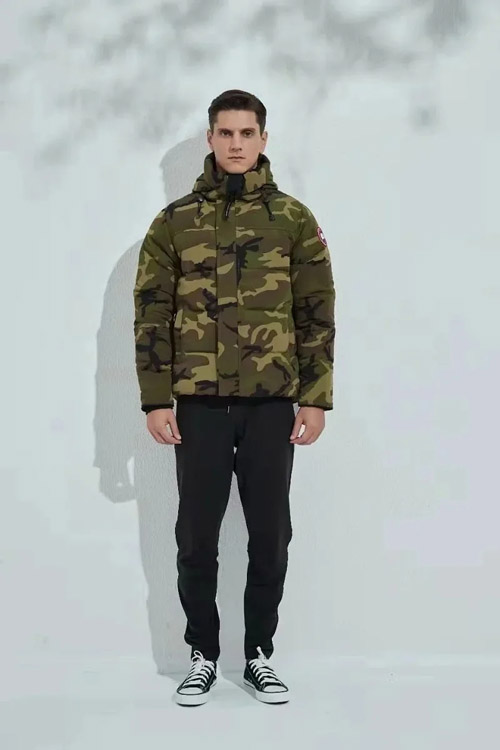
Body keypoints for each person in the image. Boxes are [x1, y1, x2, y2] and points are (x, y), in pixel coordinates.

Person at [133, 89, 336, 706]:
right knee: (196, 536)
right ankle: (202, 653)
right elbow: (151, 313)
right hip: (199, 406)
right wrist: (155, 399)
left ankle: (257, 655)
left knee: (270, 535)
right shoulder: (174, 222)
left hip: (272, 404)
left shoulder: (292, 219)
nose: (237, 144)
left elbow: (316, 312)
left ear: (264, 139)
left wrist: (315, 397)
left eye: (248, 133)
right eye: (226, 133)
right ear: (211, 139)